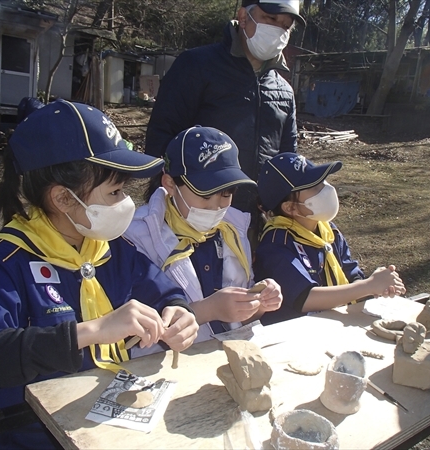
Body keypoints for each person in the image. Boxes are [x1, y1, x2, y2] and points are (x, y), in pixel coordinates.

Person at [0, 100, 199, 449]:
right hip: (31, 434)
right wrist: (90, 332)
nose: (126, 203)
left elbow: (163, 291)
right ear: (63, 198)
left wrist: (179, 311)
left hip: (105, 424)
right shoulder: (3, 263)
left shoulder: (110, 249)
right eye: (115, 192)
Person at [124, 126, 283, 345]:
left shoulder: (233, 230)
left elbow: (242, 314)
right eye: (205, 195)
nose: (216, 206)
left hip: (227, 354)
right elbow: (133, 332)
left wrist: (259, 303)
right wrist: (208, 310)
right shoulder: (136, 236)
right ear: (170, 184)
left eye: (226, 194)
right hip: (167, 364)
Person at [145, 0, 304, 214]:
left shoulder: (283, 90)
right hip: (196, 212)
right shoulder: (196, 66)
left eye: (285, 26)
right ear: (244, 17)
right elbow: (162, 136)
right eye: (271, 19)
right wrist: (172, 201)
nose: (277, 30)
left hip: (255, 218)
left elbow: (288, 158)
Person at [254, 153, 406, 325]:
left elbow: (351, 273)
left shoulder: (328, 229)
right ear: (290, 207)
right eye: (314, 186)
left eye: (323, 181)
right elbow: (305, 298)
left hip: (334, 322)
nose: (326, 189)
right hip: (297, 332)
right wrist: (368, 286)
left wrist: (376, 286)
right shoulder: (276, 244)